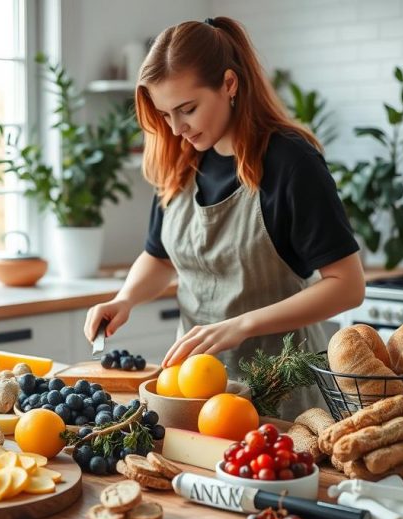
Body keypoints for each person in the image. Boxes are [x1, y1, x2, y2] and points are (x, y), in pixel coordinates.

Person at [82, 16, 365, 420]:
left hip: (283, 397)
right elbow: (160, 256)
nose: (177, 128)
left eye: (188, 109)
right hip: (193, 394)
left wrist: (242, 324)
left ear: (229, 84)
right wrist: (125, 298)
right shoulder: (180, 160)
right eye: (165, 115)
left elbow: (347, 286)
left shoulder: (291, 162)